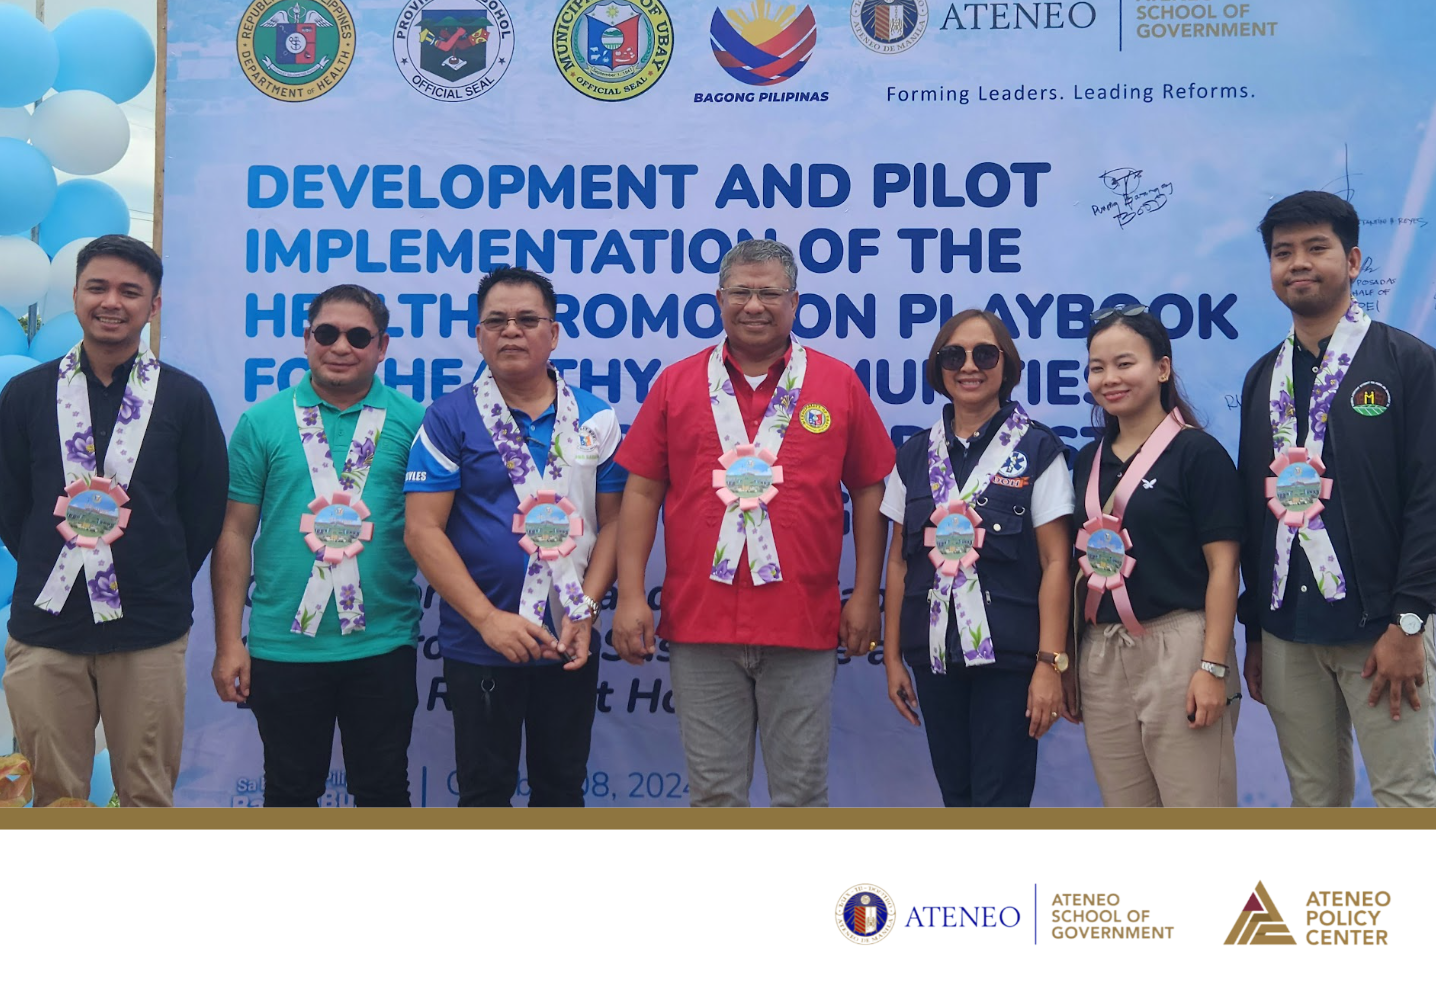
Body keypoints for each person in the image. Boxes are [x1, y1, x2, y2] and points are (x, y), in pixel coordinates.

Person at [613, 238, 895, 808]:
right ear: (719, 300)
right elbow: (641, 490)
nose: (754, 305)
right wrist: (629, 596)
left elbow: (870, 490)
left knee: (800, 798)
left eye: (770, 293)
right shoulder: (677, 383)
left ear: (795, 303)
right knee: (715, 798)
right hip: (700, 623)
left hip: (803, 621)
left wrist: (866, 595)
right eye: (741, 292)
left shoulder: (836, 384)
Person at [0, 234, 227, 807]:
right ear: (75, 294)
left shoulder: (185, 397)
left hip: (148, 628)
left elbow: (203, 509)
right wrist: (57, 561)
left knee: (147, 795)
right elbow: (9, 501)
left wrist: (155, 567)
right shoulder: (26, 394)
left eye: (131, 292)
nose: (111, 302)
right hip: (47, 627)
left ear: (152, 306)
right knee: (52, 797)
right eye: (97, 286)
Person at [1238, 190, 1436, 807]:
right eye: (1282, 252)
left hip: (1383, 631)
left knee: (1406, 794)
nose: (1298, 263)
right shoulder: (1261, 377)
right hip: (1289, 632)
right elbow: (1254, 508)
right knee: (1314, 800)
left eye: (1315, 248)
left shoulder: (1407, 362)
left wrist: (1409, 624)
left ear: (1352, 261)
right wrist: (1258, 636)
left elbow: (1429, 501)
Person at [405, 267, 624, 807]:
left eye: (527, 320)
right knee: (483, 793)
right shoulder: (448, 417)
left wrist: (586, 610)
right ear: (478, 335)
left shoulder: (596, 418)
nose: (511, 331)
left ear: (553, 333)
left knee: (561, 790)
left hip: (569, 638)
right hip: (481, 643)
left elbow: (617, 523)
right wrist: (487, 619)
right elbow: (421, 529)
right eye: (496, 321)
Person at [211, 283, 424, 807]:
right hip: (283, 646)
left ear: (383, 346)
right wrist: (228, 642)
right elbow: (234, 532)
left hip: (382, 644)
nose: (340, 346)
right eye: (326, 333)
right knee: (289, 793)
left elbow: (435, 530)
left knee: (383, 791)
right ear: (307, 340)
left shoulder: (417, 423)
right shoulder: (261, 422)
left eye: (358, 335)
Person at [880, 310, 1074, 807]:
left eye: (984, 354)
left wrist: (1050, 664)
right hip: (935, 658)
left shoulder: (1037, 449)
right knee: (958, 800)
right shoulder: (914, 455)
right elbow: (899, 562)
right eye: (954, 355)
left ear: (1005, 366)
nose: (969, 366)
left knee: (1000, 803)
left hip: (1009, 661)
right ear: (938, 368)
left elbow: (1056, 562)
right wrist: (894, 658)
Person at [1073, 305, 1242, 807]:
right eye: (1097, 368)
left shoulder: (1198, 454)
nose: (1110, 379)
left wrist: (1211, 668)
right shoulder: (1087, 460)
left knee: (1197, 817)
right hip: (1102, 652)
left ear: (1162, 369)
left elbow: (1224, 568)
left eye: (1125, 364)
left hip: (1181, 647)